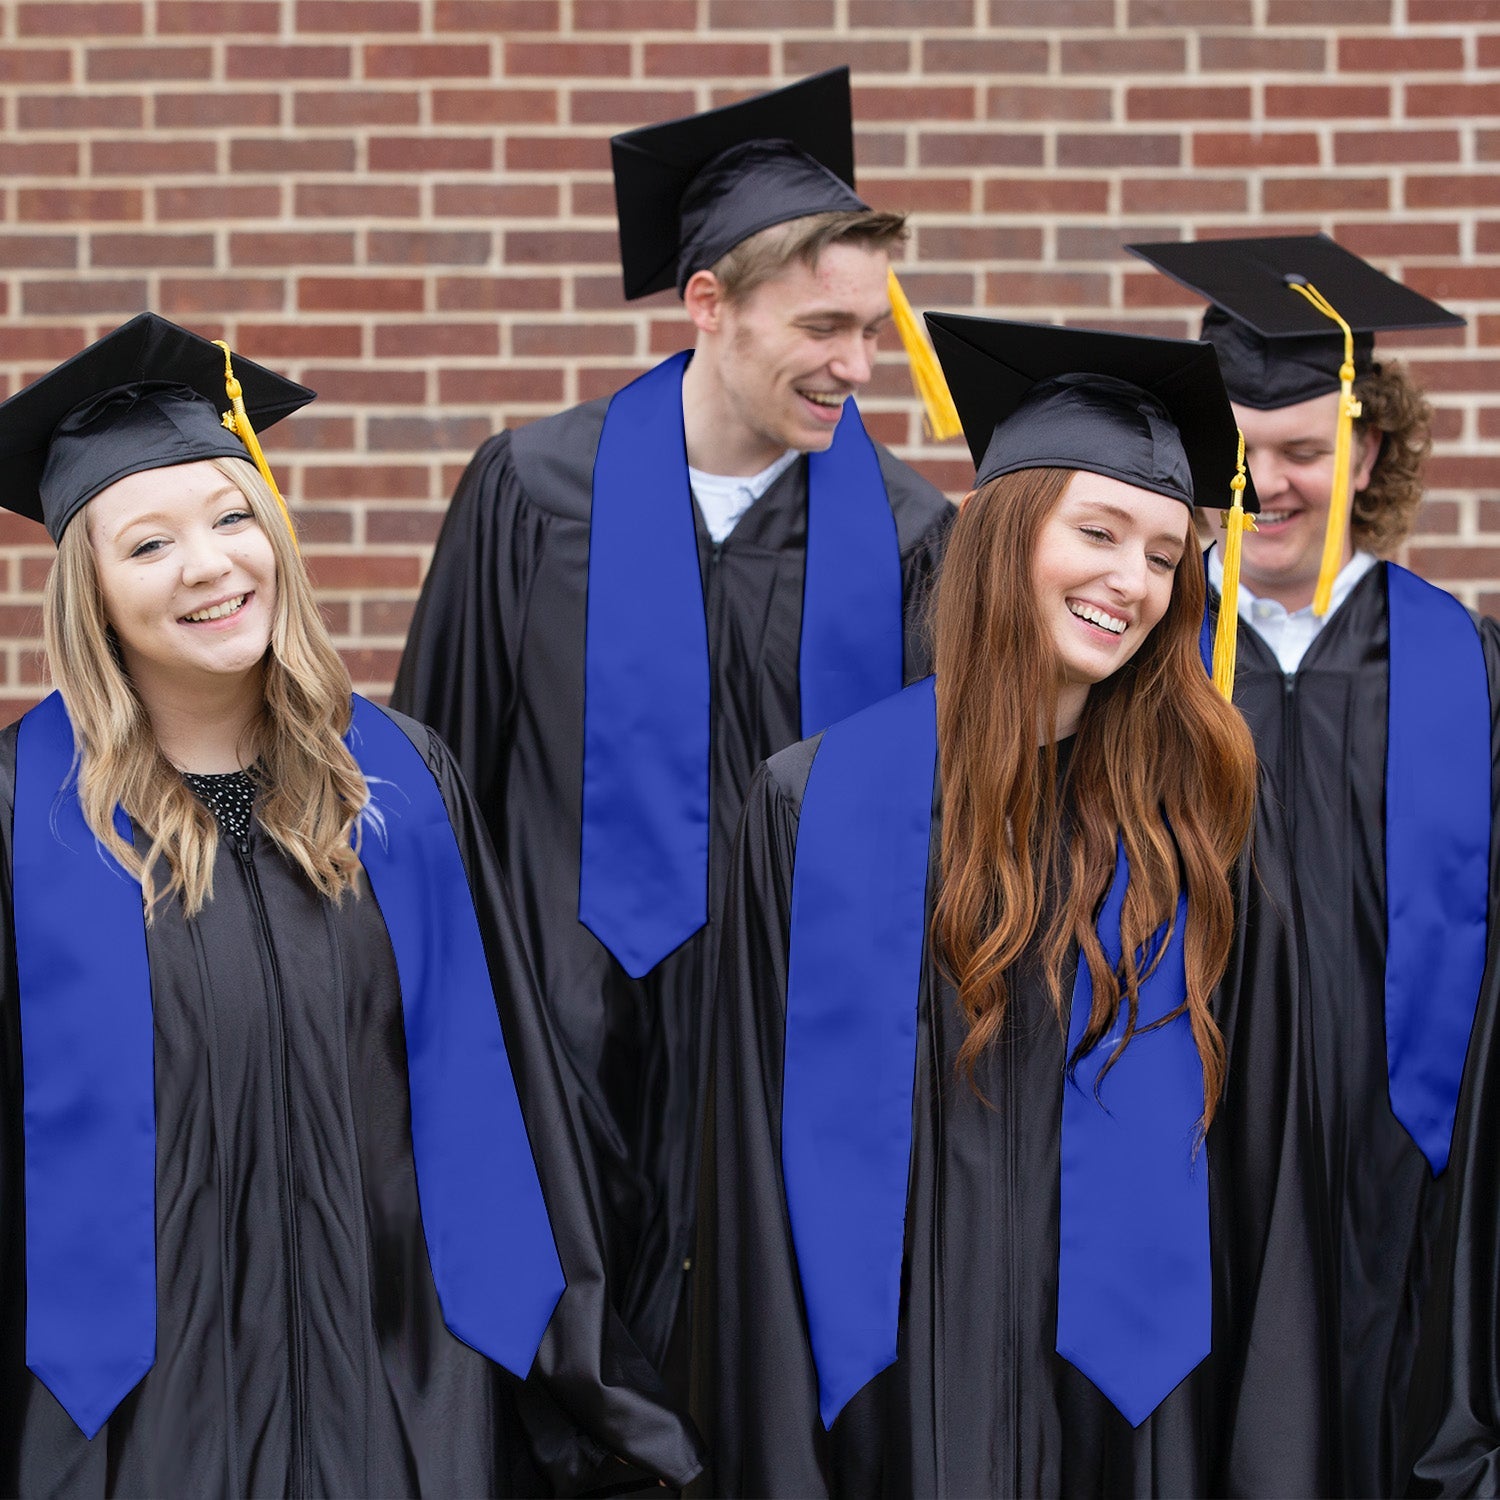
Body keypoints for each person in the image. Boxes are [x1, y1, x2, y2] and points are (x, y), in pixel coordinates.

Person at [0, 312, 704, 1498]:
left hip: (404, 1387)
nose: (213, 565)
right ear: (94, 598)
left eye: (233, 518)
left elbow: (512, 1102)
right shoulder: (28, 819)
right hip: (137, 1420)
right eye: (150, 544)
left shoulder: (402, 785)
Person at [692, 314, 1331, 1497]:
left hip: (1141, 1431)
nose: (1130, 582)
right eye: (1097, 532)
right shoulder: (810, 805)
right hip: (890, 1426)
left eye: (1162, 552)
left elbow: (1269, 1185)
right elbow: (748, 1177)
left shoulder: (1207, 826)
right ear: (1002, 535)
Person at [391, 66, 954, 1391]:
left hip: (792, 1058)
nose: (857, 367)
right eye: (824, 326)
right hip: (557, 1050)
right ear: (710, 302)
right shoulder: (533, 490)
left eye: (872, 330)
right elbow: (438, 777)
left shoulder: (915, 538)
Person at [1130, 234, 1497, 1499]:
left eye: (1307, 450)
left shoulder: (1466, 668)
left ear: (1371, 451)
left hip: (1406, 1170)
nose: (1270, 484)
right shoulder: (1143, 666)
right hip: (1185, 1157)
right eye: (1241, 451)